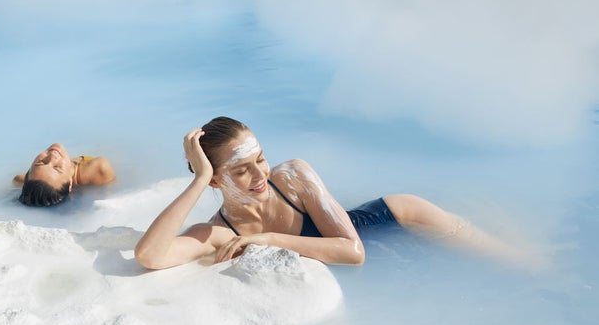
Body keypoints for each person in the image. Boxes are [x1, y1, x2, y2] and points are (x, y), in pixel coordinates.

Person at [135, 116, 524, 270]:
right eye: (240, 169)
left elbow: (353, 252)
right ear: (217, 181)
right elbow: (149, 256)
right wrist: (199, 178)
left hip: (396, 218)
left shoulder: (292, 176)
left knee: (514, 261)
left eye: (260, 158)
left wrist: (267, 238)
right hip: (380, 249)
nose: (259, 174)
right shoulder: (220, 232)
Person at [14, 143, 115, 206]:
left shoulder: (30, 181)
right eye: (57, 167)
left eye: (42, 162)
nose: (52, 156)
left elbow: (17, 179)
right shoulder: (100, 169)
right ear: (70, 184)